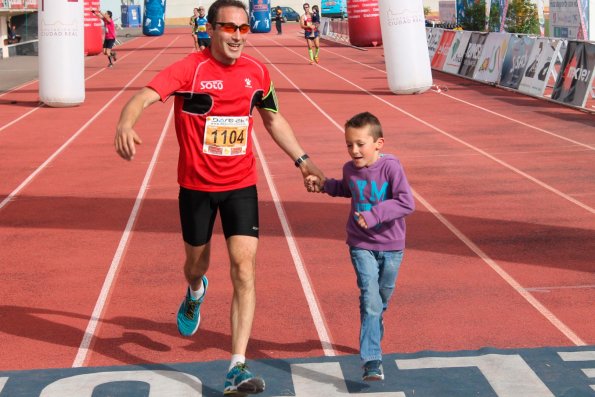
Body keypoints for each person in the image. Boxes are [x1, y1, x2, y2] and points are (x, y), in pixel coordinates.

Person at [113, 0, 323, 394]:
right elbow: (142, 97)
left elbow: (273, 118)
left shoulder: (258, 73)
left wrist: (303, 160)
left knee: (244, 268)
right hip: (195, 188)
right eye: (229, 28)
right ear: (210, 29)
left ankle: (236, 366)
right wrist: (126, 123)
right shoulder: (188, 69)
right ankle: (195, 291)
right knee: (196, 264)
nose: (238, 36)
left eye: (243, 29)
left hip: (241, 185)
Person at [306, 112, 415, 382]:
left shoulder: (391, 168)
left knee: (381, 300)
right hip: (360, 243)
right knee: (369, 297)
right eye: (349, 145)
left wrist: (375, 214)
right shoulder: (349, 169)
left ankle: (375, 323)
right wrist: (323, 185)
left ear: (378, 143)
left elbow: (406, 203)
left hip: (392, 246)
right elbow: (346, 188)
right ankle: (372, 360)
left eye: (360, 144)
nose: (354, 150)